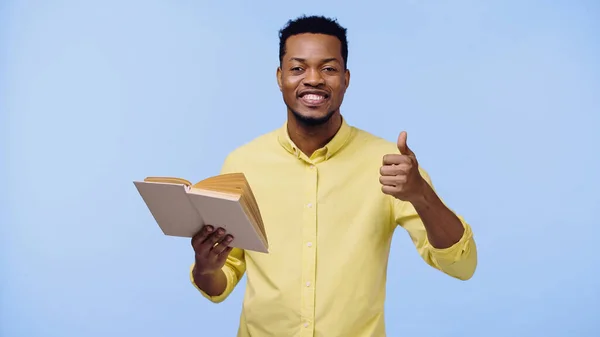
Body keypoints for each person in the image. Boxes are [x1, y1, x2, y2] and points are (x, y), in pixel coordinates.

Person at [189, 15, 477, 337]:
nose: (313, 79)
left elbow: (461, 265)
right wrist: (207, 266)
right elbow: (219, 283)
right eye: (298, 68)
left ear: (346, 78)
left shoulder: (391, 166)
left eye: (328, 68)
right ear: (279, 76)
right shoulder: (242, 163)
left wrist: (422, 195)